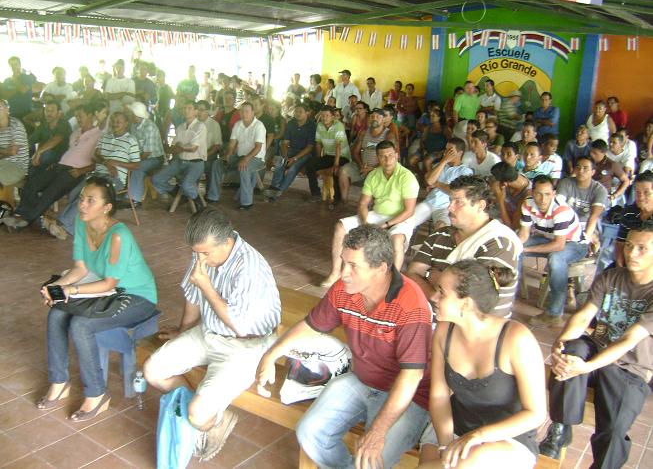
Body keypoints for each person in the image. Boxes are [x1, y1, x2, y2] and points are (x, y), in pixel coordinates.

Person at [256, 224, 433, 469]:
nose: (343, 273)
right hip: (362, 381)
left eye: (353, 266)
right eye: (343, 262)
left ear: (381, 268)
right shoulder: (344, 289)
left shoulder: (410, 304)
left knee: (369, 461)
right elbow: (312, 326)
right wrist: (271, 355)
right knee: (309, 432)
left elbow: (412, 376)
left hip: (408, 396)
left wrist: (378, 431)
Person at [144, 208, 280, 461]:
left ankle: (206, 416)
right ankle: (211, 413)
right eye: (196, 253)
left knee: (197, 415)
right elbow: (193, 297)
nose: (200, 259)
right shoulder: (203, 252)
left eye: (205, 253)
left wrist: (206, 285)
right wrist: (183, 331)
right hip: (209, 332)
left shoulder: (249, 267)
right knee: (153, 371)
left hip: (248, 345)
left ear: (227, 242)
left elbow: (240, 326)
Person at [38, 175, 157, 422]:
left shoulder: (118, 235)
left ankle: (97, 394)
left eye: (90, 201)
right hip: (107, 292)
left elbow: (109, 283)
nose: (82, 205)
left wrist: (72, 291)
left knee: (81, 325)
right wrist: (55, 288)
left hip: (136, 296)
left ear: (107, 207)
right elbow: (80, 268)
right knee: (57, 312)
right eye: (82, 199)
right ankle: (59, 382)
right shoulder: (82, 224)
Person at [538, 221, 653, 467]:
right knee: (571, 350)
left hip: (630, 366)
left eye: (642, 248)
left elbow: (629, 339)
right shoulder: (612, 276)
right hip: (597, 347)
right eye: (629, 246)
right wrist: (560, 344)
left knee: (614, 429)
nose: (632, 253)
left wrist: (587, 368)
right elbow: (583, 316)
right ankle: (560, 427)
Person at [417, 260, 546, 469]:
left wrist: (478, 436)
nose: (433, 297)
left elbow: (536, 414)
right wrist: (446, 445)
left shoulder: (515, 339)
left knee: (463, 463)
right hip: (454, 427)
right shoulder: (444, 331)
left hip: (507, 437)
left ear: (466, 303)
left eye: (441, 292)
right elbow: (440, 396)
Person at [408, 175, 522, 317]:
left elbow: (477, 299)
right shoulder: (440, 235)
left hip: (474, 325)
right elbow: (412, 272)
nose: (449, 207)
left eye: (458, 202)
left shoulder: (497, 244)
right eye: (450, 200)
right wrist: (436, 293)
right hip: (436, 317)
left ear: (480, 206)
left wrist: (432, 277)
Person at [322, 141, 418, 287]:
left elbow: (409, 210)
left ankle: (392, 282)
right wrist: (365, 223)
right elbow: (362, 204)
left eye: (390, 155)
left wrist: (386, 225)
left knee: (396, 239)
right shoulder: (373, 175)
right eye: (383, 156)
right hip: (378, 214)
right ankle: (335, 273)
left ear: (397, 155)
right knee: (340, 227)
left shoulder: (407, 177)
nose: (387, 159)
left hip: (400, 217)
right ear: (377, 158)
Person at [3, 104, 102, 230]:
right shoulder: (75, 132)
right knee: (31, 184)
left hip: (74, 171)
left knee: (49, 194)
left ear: (90, 116)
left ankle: (25, 220)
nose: (77, 118)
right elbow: (69, 152)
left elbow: (100, 161)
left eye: (80, 116)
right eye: (76, 116)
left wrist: (81, 171)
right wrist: (55, 163)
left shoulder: (99, 135)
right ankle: (21, 214)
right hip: (59, 166)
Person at [519, 175, 588, 326]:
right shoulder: (528, 203)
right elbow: (524, 234)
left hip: (575, 245)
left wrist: (526, 248)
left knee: (556, 258)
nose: (543, 199)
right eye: (538, 194)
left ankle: (554, 314)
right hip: (549, 239)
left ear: (554, 194)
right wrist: (518, 246)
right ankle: (508, 291)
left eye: (547, 194)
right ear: (532, 192)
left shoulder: (560, 209)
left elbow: (559, 246)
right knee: (514, 248)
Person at [152, 101, 208, 212]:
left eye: (189, 108)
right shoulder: (180, 127)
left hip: (196, 163)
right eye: (184, 108)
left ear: (196, 111)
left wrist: (179, 147)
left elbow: (193, 148)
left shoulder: (200, 126)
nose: (186, 110)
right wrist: (178, 147)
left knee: (187, 185)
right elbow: (173, 147)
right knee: (157, 179)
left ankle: (200, 205)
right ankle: (178, 193)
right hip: (180, 161)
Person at [412, 138, 473, 229]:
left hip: (446, 207)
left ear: (459, 153)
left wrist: (437, 184)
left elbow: (456, 192)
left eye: (450, 150)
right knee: (407, 221)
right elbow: (429, 181)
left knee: (442, 227)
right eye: (446, 149)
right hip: (430, 202)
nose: (446, 153)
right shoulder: (440, 165)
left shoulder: (465, 171)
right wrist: (444, 161)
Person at [264, 103, 316, 201]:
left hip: (304, 153)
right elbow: (285, 143)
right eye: (296, 111)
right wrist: (285, 156)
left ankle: (279, 191)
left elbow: (309, 147)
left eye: (300, 112)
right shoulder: (291, 123)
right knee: (280, 162)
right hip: (291, 150)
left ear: (307, 113)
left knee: (292, 169)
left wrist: (294, 159)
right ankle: (274, 187)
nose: (297, 113)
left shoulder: (312, 125)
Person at [222, 102, 267, 210]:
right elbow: (232, 144)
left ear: (252, 112)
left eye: (247, 111)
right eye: (241, 111)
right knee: (217, 164)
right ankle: (212, 196)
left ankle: (246, 203)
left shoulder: (259, 125)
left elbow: (258, 148)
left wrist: (246, 159)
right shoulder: (238, 124)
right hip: (240, 156)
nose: (244, 113)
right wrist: (228, 155)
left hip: (256, 158)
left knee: (244, 168)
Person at [556, 157, 608, 251]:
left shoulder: (600, 190)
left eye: (585, 168)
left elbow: (593, 217)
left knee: (590, 242)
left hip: (585, 224)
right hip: (565, 221)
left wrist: (586, 238)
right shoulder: (565, 183)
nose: (580, 171)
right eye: (578, 167)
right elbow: (558, 206)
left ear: (593, 172)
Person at [339, 108, 388, 203]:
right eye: (372, 116)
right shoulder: (364, 133)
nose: (375, 118)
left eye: (378, 117)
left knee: (375, 179)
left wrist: (373, 168)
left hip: (379, 168)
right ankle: (344, 201)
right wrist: (361, 165)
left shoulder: (388, 134)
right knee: (343, 171)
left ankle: (373, 205)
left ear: (383, 119)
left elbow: (389, 157)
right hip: (362, 166)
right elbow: (355, 152)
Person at [305, 106, 350, 202]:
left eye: (327, 115)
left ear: (332, 117)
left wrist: (336, 164)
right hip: (328, 156)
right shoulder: (320, 125)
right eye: (322, 115)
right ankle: (316, 193)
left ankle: (337, 198)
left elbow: (338, 145)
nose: (324, 118)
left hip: (342, 156)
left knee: (336, 170)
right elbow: (318, 143)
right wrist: (318, 159)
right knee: (310, 164)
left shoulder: (338, 125)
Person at [125, 101, 164, 208]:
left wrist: (133, 161)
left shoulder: (149, 127)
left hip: (155, 159)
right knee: (121, 162)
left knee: (137, 167)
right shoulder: (134, 125)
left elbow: (147, 153)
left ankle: (135, 200)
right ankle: (123, 192)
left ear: (136, 115)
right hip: (140, 156)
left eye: (131, 113)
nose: (129, 115)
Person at [614, 171, 653, 267]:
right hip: (630, 261)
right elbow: (620, 243)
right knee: (608, 275)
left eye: (646, 193)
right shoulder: (629, 213)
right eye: (637, 192)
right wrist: (620, 268)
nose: (641, 197)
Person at [28, 100, 72, 171]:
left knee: (46, 154)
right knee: (27, 148)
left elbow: (56, 139)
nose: (48, 113)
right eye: (47, 110)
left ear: (59, 113)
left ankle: (27, 169)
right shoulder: (43, 125)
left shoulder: (64, 124)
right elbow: (31, 140)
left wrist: (39, 151)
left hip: (59, 155)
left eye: (52, 111)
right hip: (43, 154)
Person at [490, 162, 531, 230]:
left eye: (496, 181)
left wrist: (501, 200)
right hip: (501, 215)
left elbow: (512, 227)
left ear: (504, 184)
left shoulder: (526, 196)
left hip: (514, 228)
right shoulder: (512, 176)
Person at [0, 98, 29, 189]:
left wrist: (5, 152)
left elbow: (13, 151)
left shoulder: (16, 125)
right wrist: (5, 151)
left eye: (0, 107)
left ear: (7, 110)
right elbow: (8, 152)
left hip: (17, 165)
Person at [3, 56, 36, 121]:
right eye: (12, 65)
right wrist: (17, 89)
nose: (14, 67)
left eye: (16, 64)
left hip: (27, 113)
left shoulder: (27, 77)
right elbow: (5, 96)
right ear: (9, 66)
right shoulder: (6, 81)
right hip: (12, 113)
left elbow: (23, 90)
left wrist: (15, 81)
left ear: (20, 65)